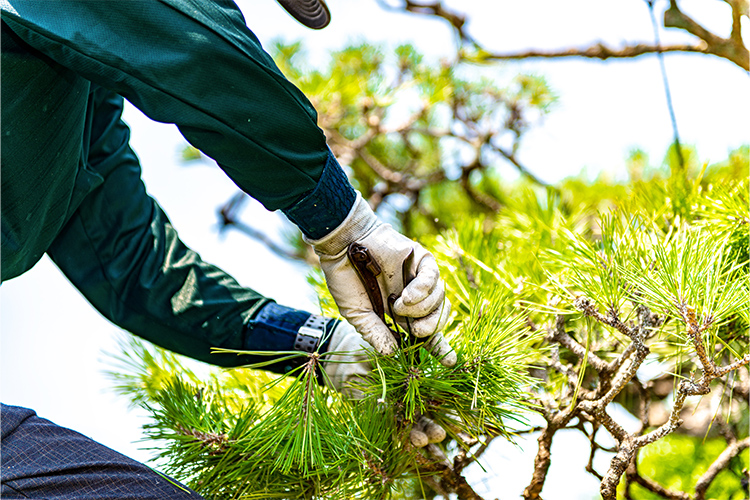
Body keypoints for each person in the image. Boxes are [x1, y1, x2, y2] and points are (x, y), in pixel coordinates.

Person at [0, 0, 455, 497]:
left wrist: (325, 348)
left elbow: (130, 267)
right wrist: (344, 225)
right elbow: (192, 43)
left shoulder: (69, 94)